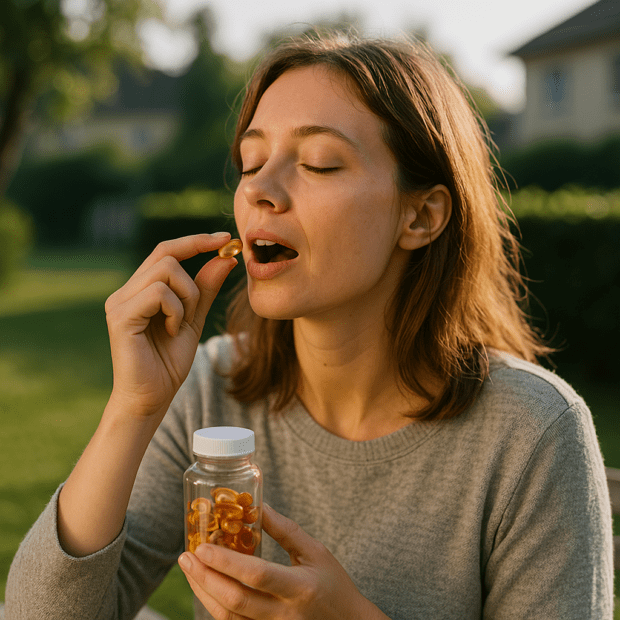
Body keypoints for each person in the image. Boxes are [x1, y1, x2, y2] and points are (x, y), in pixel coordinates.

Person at [5, 32, 614, 620]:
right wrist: (131, 408)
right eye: (250, 161)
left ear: (421, 215)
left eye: (318, 163)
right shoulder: (213, 388)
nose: (261, 191)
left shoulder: (533, 434)